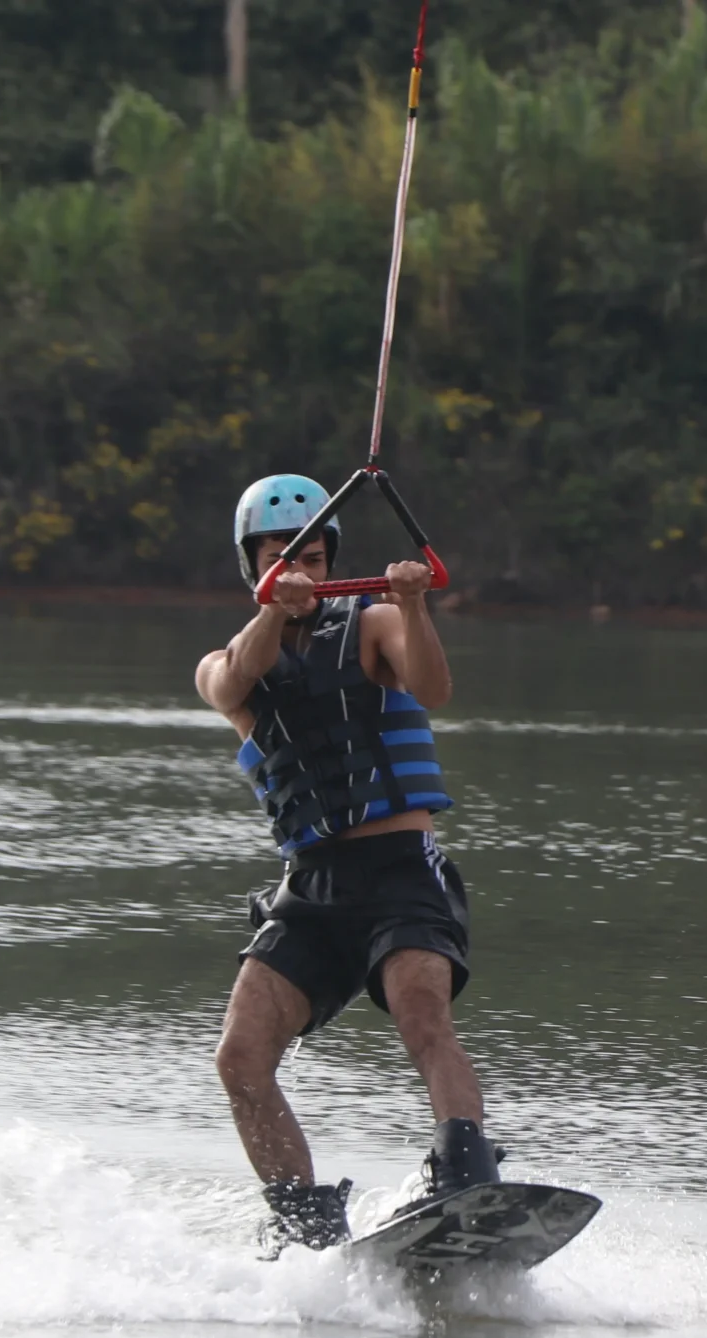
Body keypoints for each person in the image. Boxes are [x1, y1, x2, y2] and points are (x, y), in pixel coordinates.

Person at [196, 473, 501, 1254]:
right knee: (240, 1057)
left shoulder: (369, 627)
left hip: (399, 870)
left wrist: (413, 605)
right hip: (312, 891)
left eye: (315, 558)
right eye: (280, 556)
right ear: (254, 565)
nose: (303, 571)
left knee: (421, 1011)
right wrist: (277, 607)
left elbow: (433, 686)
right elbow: (237, 679)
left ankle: (466, 1170)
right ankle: (305, 1224)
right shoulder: (224, 665)